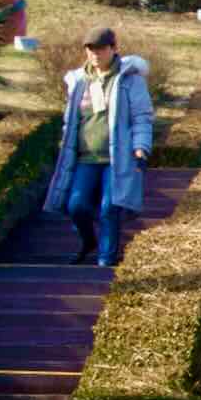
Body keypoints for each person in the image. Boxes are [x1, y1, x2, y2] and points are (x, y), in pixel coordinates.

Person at [41, 26, 154, 266]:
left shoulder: (129, 80)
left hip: (117, 158)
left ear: (114, 49)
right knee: (76, 206)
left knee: (109, 208)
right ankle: (90, 241)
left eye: (101, 49)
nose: (95, 54)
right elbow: (71, 120)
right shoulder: (79, 81)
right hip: (85, 158)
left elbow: (142, 116)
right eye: (90, 50)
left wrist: (141, 147)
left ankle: (106, 260)